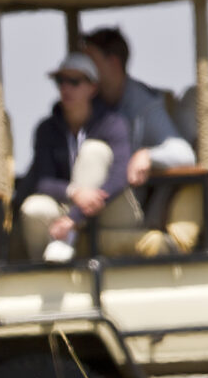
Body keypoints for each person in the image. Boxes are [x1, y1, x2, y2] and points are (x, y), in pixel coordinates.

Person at [15, 52, 137, 262]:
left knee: (93, 150)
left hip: (111, 207)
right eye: (60, 81)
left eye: (74, 81)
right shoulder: (46, 129)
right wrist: (75, 192)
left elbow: (120, 176)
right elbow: (43, 180)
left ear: (93, 88)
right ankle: (44, 269)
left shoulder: (113, 123)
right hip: (70, 204)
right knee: (33, 208)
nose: (66, 88)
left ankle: (67, 237)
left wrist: (74, 218)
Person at [82, 27, 195, 185]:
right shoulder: (85, 102)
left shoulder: (143, 105)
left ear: (113, 63)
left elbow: (184, 154)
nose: (83, 69)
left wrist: (147, 156)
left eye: (90, 61)